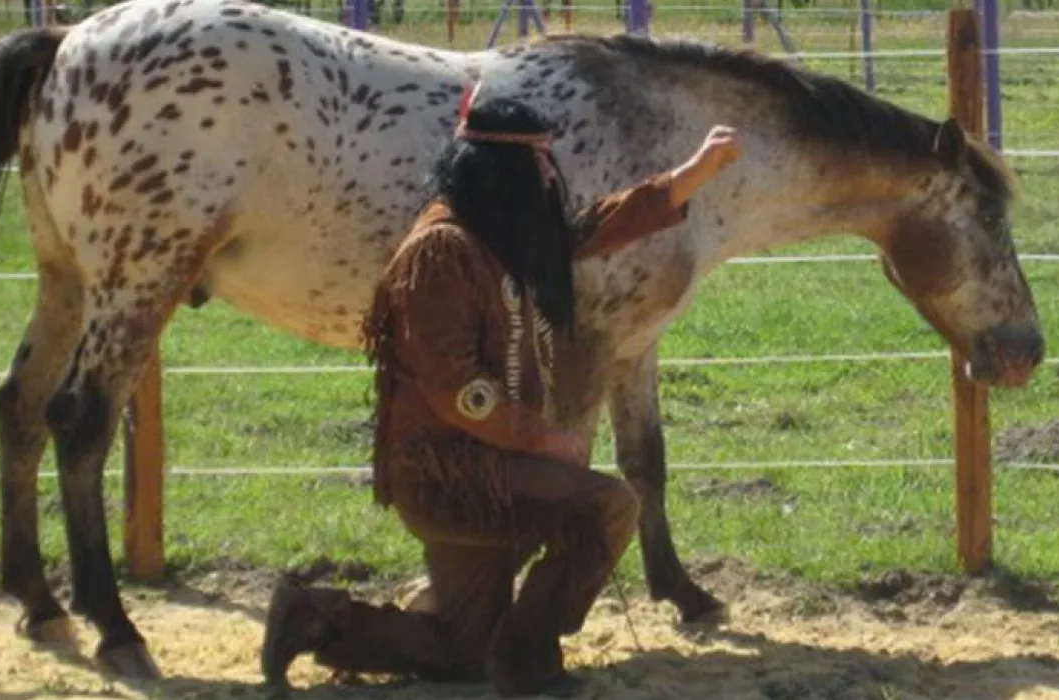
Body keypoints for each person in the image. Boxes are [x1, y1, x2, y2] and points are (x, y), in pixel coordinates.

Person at [260, 86, 743, 697]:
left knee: (462, 653)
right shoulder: (441, 251)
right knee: (609, 506)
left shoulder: (500, 234)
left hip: (484, 470)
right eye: (537, 160)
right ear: (501, 171)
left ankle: (312, 617)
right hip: (452, 478)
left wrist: (690, 176)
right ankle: (528, 661)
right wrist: (540, 435)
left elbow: (590, 229)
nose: (549, 172)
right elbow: (457, 390)